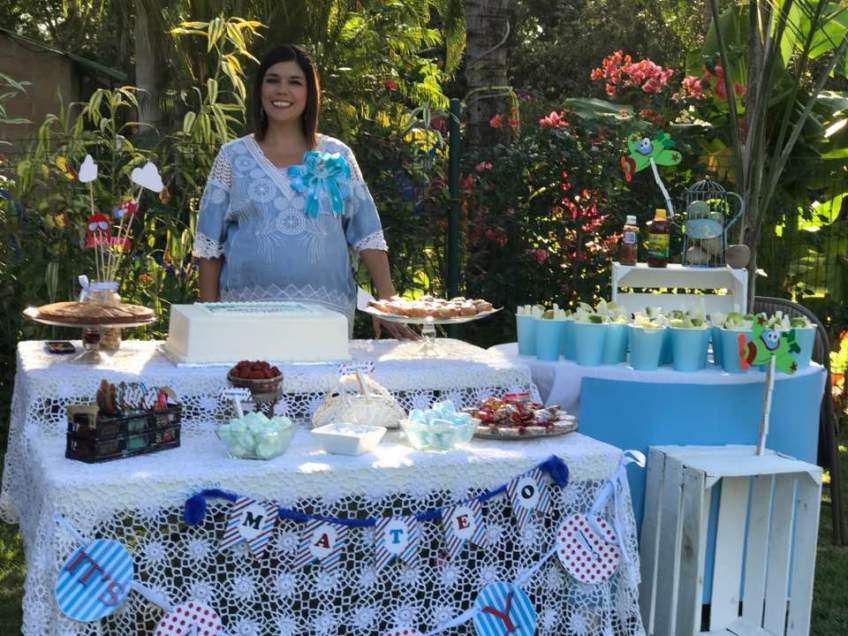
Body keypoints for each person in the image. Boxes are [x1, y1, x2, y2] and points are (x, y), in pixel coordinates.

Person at [193, 44, 414, 339]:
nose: (282, 90)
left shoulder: (338, 156)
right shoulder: (233, 157)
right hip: (244, 322)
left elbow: (367, 234)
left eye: (295, 82)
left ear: (310, 93)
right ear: (259, 90)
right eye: (272, 80)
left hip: (326, 322)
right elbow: (210, 245)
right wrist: (208, 318)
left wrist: (387, 299)